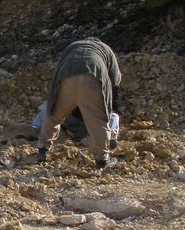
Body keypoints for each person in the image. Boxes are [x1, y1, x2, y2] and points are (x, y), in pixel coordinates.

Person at [37, 38, 122, 170]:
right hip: (92, 77)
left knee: (54, 115)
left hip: (66, 77)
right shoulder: (106, 50)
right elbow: (115, 80)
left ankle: (42, 150)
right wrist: (114, 108)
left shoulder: (73, 46)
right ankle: (102, 160)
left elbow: (57, 71)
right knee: (98, 122)